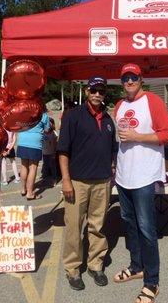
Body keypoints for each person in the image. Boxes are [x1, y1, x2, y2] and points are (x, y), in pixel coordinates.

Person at [113, 63, 168, 303]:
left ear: (141, 78)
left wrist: (138, 137)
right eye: (125, 78)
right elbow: (119, 139)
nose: (129, 81)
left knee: (147, 229)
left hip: (144, 176)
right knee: (129, 224)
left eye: (133, 77)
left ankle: (152, 282)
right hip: (123, 175)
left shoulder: (153, 101)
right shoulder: (119, 105)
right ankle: (136, 266)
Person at [57, 76, 118, 291]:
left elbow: (112, 150)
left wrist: (111, 171)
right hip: (77, 182)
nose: (97, 94)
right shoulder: (73, 116)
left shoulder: (109, 120)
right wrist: (66, 181)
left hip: (102, 182)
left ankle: (95, 265)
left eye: (101, 91)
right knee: (74, 228)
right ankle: (73, 269)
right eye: (93, 90)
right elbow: (63, 150)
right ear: (86, 91)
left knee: (98, 227)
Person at [16, 110, 50, 200]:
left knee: (24, 166)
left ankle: (23, 189)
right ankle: (30, 193)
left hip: (22, 140)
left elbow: (18, 125)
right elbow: (47, 129)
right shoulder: (43, 114)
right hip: (35, 142)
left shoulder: (23, 111)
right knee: (33, 167)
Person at [41, 117, 58, 187]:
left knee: (53, 167)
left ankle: (54, 179)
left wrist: (55, 152)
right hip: (44, 153)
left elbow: (55, 143)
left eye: (49, 123)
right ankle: (44, 179)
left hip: (51, 153)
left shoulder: (54, 133)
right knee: (45, 166)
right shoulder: (42, 132)